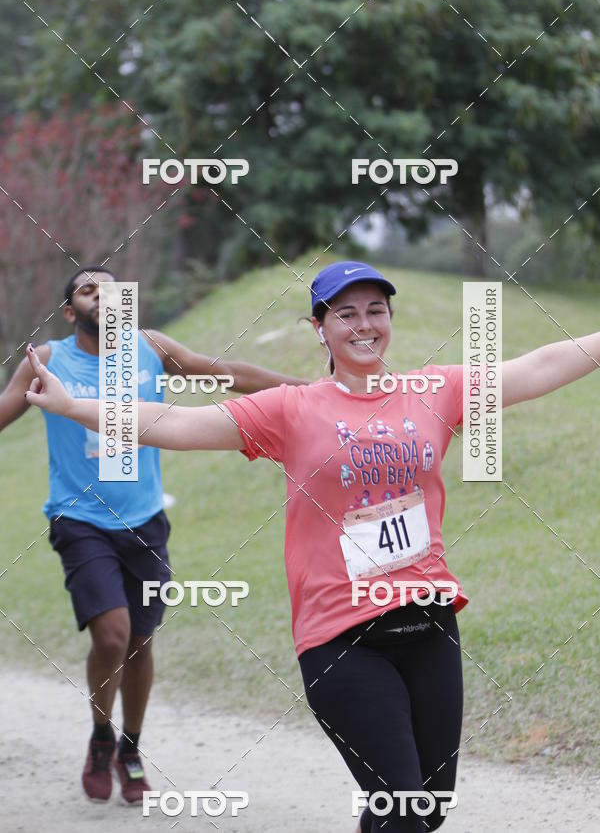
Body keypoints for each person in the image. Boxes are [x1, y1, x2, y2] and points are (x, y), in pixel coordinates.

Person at [22, 260, 600, 830]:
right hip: (341, 639)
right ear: (319, 328)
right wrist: (72, 406)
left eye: (376, 310)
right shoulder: (292, 409)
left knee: (426, 809)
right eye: (345, 314)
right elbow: (174, 422)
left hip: (429, 627)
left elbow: (538, 365)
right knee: (403, 811)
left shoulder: (433, 391)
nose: (364, 324)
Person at [0, 265, 307, 807]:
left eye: (112, 287)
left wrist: (310, 391)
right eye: (89, 289)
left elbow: (226, 372)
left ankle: (130, 747)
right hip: (79, 520)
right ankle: (101, 736)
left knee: (141, 641)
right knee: (112, 636)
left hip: (145, 521)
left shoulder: (151, 348)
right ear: (72, 312)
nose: (105, 295)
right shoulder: (47, 361)